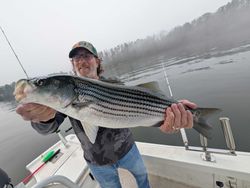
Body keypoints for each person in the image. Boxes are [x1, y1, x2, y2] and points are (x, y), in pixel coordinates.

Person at [16, 41, 197, 188]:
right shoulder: (62, 103)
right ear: (72, 64)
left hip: (128, 151)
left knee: (143, 183)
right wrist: (43, 117)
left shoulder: (115, 83)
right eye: (76, 58)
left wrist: (173, 111)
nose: (81, 61)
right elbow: (50, 126)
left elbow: (143, 104)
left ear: (97, 61)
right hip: (97, 162)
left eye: (86, 56)